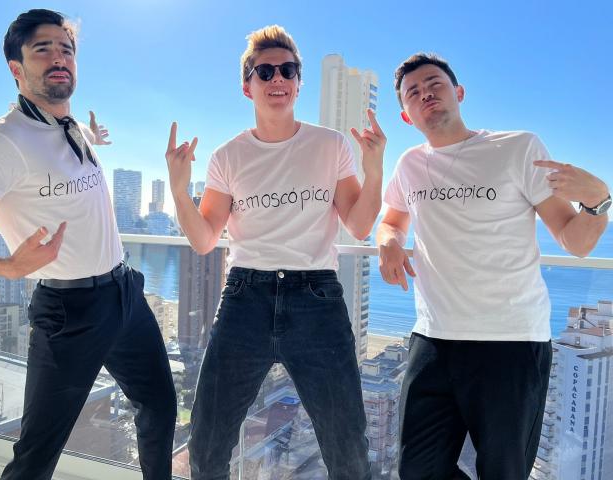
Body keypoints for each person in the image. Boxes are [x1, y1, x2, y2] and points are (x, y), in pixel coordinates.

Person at [0, 9, 176, 480]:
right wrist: (7, 267)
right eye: (43, 49)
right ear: (16, 68)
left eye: (67, 50)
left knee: (160, 406)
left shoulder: (71, 127)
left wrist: (96, 135)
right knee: (38, 452)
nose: (59, 58)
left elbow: (58, 161)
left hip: (125, 292)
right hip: (69, 309)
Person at [166, 25, 385, 480]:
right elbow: (204, 239)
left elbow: (361, 225)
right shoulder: (228, 156)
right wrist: (179, 190)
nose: (277, 79)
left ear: (299, 82)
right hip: (245, 297)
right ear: (247, 86)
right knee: (207, 441)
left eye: (288, 70)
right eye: (264, 72)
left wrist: (375, 170)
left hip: (316, 300)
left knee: (347, 444)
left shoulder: (330, 145)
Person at [376, 52, 610, 479]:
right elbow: (391, 220)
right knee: (417, 470)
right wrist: (390, 242)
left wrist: (597, 201)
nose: (425, 94)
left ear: (459, 92)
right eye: (413, 92)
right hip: (433, 338)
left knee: (504, 472)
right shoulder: (409, 164)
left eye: (435, 84)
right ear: (406, 115)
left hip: (510, 342)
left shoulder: (517, 148)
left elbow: (574, 241)